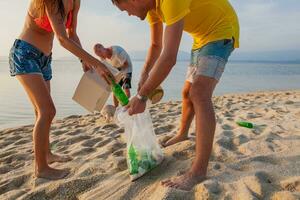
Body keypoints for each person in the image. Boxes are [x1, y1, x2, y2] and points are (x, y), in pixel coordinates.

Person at [111, 0, 239, 191]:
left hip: (220, 29)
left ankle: (198, 171)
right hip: (201, 37)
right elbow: (156, 45)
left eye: (125, 9)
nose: (128, 14)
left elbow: (169, 57)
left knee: (200, 93)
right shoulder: (152, 7)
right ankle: (182, 134)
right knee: (187, 93)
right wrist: (145, 73)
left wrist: (142, 96)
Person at [8, 0, 114, 180]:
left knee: (40, 112)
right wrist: (96, 63)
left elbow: (72, 34)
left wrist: (84, 61)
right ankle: (41, 168)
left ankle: (47, 154)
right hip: (25, 54)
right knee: (47, 111)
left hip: (45, 59)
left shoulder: (75, 2)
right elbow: (62, 39)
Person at [94, 43, 133, 107]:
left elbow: (126, 64)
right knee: (116, 90)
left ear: (104, 48)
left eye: (100, 52)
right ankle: (116, 108)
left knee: (126, 88)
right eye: (99, 55)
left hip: (126, 69)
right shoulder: (103, 58)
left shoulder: (117, 51)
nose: (101, 56)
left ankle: (128, 105)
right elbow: (103, 68)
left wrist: (116, 69)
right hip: (117, 72)